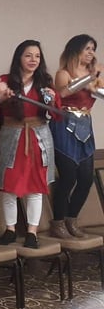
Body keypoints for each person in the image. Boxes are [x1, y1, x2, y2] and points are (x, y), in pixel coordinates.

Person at [0, 40, 60, 247]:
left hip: (38, 137)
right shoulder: (5, 80)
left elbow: (55, 114)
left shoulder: (45, 82)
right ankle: (10, 229)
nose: (33, 60)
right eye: (28, 55)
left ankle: (32, 232)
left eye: (37, 56)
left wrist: (52, 100)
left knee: (35, 187)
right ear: (19, 57)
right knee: (9, 186)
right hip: (12, 136)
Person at [49, 34, 103, 238]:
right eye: (87, 48)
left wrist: (96, 82)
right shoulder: (63, 72)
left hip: (85, 125)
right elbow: (61, 94)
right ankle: (58, 222)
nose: (91, 53)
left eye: (93, 49)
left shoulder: (95, 74)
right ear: (75, 50)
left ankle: (72, 219)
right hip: (64, 125)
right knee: (68, 176)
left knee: (86, 178)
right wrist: (89, 79)